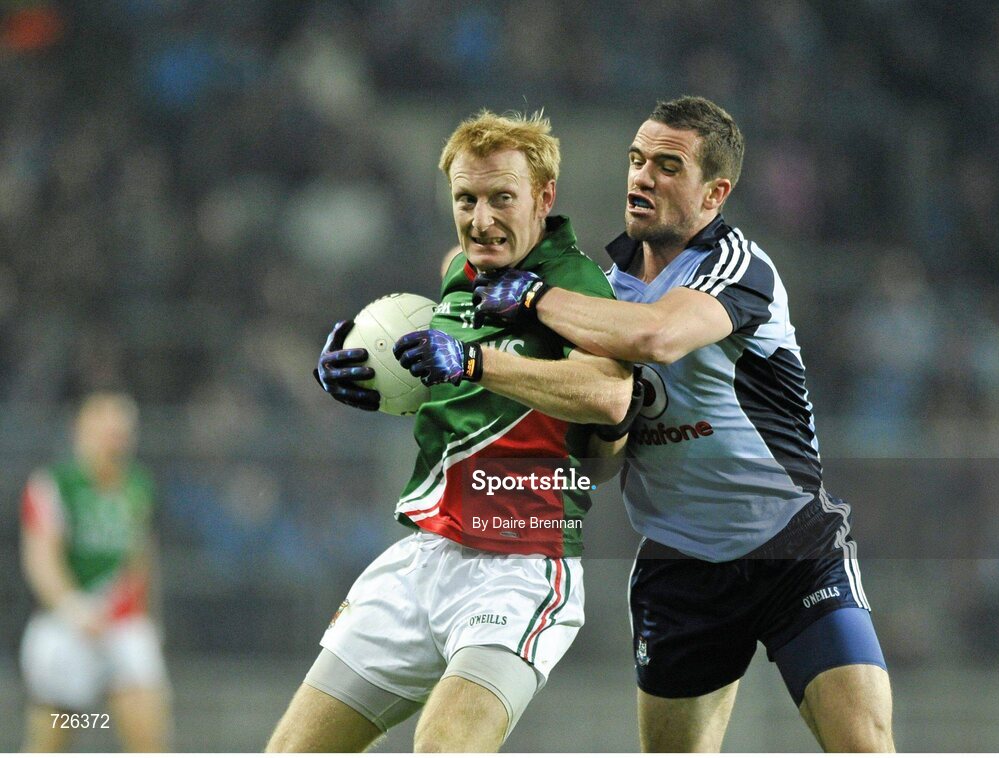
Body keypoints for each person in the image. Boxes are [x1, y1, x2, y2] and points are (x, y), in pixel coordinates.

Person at [472, 96, 895, 752]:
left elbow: (660, 335)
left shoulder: (736, 266)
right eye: (638, 161)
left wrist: (534, 298)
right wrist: (611, 422)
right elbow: (600, 465)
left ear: (714, 193)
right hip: (681, 568)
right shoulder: (602, 293)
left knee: (866, 747)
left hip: (793, 551)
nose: (642, 177)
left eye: (668, 166)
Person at [266, 111, 638, 753]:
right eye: (466, 199)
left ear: (544, 198)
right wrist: (369, 375)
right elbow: (465, 395)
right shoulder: (457, 273)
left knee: (444, 746)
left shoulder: (576, 283)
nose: (481, 220)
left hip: (522, 565)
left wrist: (473, 361)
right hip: (423, 559)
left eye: (503, 198)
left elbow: (609, 393)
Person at [19, 392, 171, 752]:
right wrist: (73, 607)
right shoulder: (54, 485)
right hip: (67, 624)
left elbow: (141, 560)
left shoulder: (138, 486)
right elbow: (41, 559)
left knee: (149, 733)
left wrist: (149, 617)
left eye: (121, 432)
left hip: (122, 624)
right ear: (81, 431)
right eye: (106, 430)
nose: (114, 440)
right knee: (51, 740)